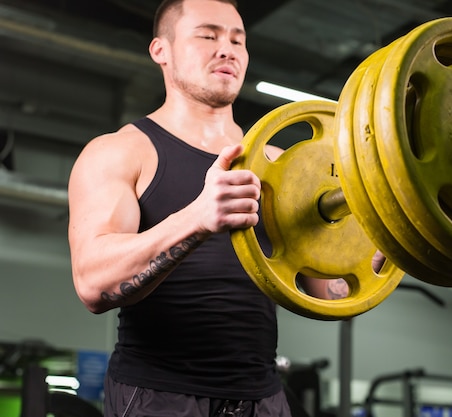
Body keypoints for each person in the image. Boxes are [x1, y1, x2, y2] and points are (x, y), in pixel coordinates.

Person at [67, 0, 351, 416]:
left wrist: (394, 233)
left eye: (238, 39)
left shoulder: (280, 164)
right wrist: (198, 218)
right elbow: (93, 285)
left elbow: (328, 291)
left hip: (263, 398)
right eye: (208, 35)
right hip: (158, 395)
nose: (227, 49)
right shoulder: (120, 152)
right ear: (160, 50)